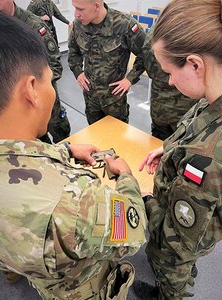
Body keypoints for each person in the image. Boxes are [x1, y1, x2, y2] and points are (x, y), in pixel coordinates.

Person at [0, 11, 147, 299]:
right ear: (31, 89)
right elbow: (133, 227)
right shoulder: (77, 202)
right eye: (49, 79)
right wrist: (127, 176)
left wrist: (61, 151)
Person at [133, 0, 222, 299]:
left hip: (180, 238)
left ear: (196, 64)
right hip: (196, 218)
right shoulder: (211, 96)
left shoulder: (205, 158)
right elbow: (195, 129)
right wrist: (171, 150)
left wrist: (141, 196)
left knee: (173, 275)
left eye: (170, 72)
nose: (168, 81)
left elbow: (176, 240)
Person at [0, 0, 71, 144]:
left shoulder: (34, 26)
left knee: (62, 136)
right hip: (10, 112)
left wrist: (36, 84)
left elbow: (55, 64)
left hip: (43, 99)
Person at [68, 0, 145, 125]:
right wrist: (78, 71)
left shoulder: (124, 24)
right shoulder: (78, 25)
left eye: (80, 9)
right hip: (90, 96)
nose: (76, 14)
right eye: (74, 8)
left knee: (117, 137)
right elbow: (73, 52)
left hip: (114, 99)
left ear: (96, 6)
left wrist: (130, 79)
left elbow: (145, 54)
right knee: (95, 135)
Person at [142, 28, 195, 140]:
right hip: (185, 109)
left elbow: (148, 65)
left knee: (159, 144)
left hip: (159, 104)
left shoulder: (155, 32)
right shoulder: (195, 33)